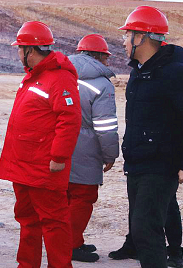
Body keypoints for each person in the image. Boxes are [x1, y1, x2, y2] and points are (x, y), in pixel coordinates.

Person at [110, 6, 183, 268]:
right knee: (141, 228)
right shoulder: (138, 73)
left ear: (141, 37)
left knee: (146, 230)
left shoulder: (174, 73)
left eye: (127, 34)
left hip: (161, 165)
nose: (123, 41)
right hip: (137, 163)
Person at [0, 21, 82, 268]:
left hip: (44, 166)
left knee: (54, 222)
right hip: (24, 166)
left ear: (29, 50)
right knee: (27, 219)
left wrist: (59, 157)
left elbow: (70, 119)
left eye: (19, 49)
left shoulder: (59, 78)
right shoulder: (34, 77)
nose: (18, 54)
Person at [67, 34, 119, 263]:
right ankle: (69, 245)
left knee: (65, 196)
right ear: (100, 57)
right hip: (86, 149)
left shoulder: (62, 74)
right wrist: (110, 155)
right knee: (83, 197)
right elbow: (105, 126)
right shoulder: (101, 84)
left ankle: (73, 240)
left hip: (58, 145)